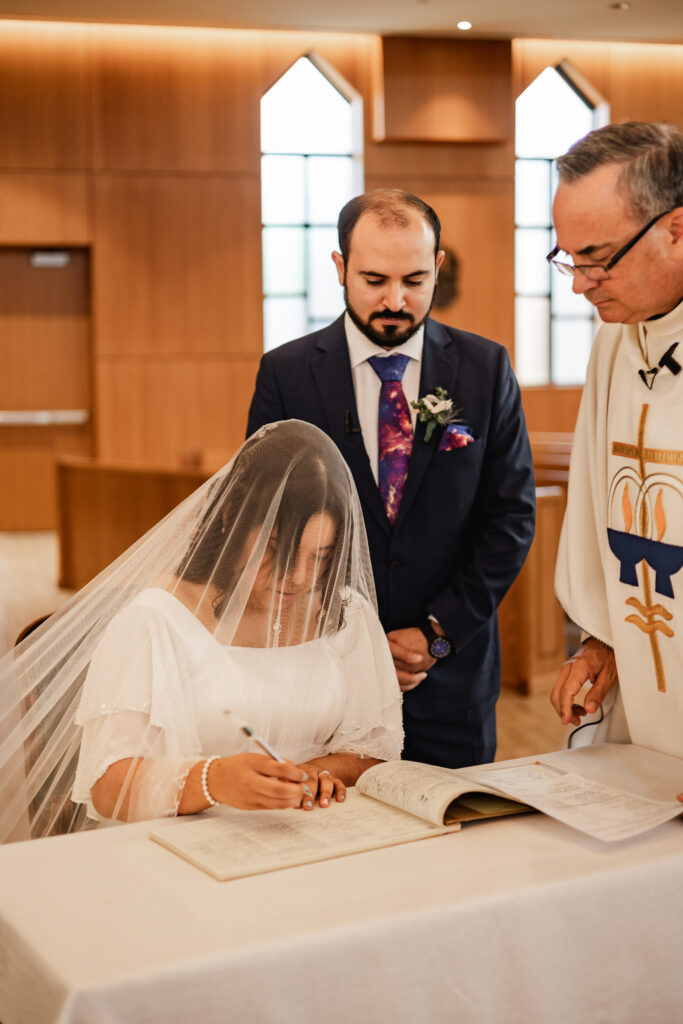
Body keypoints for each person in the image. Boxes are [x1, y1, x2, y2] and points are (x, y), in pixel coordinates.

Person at [0, 420, 403, 842]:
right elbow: (108, 785)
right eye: (277, 552)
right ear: (232, 517)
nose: (299, 578)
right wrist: (214, 780)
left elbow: (374, 752)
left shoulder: (346, 616)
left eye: (320, 557)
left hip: (316, 837)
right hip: (186, 845)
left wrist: (309, 775)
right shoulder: (155, 619)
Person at [247, 189, 536, 769]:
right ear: (340, 267)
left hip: (450, 678)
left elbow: (510, 517)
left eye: (415, 279)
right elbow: (267, 519)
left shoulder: (486, 368)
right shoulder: (286, 373)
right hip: (322, 670)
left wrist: (436, 632)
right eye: (375, 279)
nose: (396, 300)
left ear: (439, 268)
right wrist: (354, 643)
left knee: (458, 844)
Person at [548, 122, 683, 774]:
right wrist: (600, 639)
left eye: (597, 256)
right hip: (643, 682)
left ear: (675, 229)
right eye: (567, 256)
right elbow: (597, 501)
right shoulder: (614, 340)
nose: (579, 282)